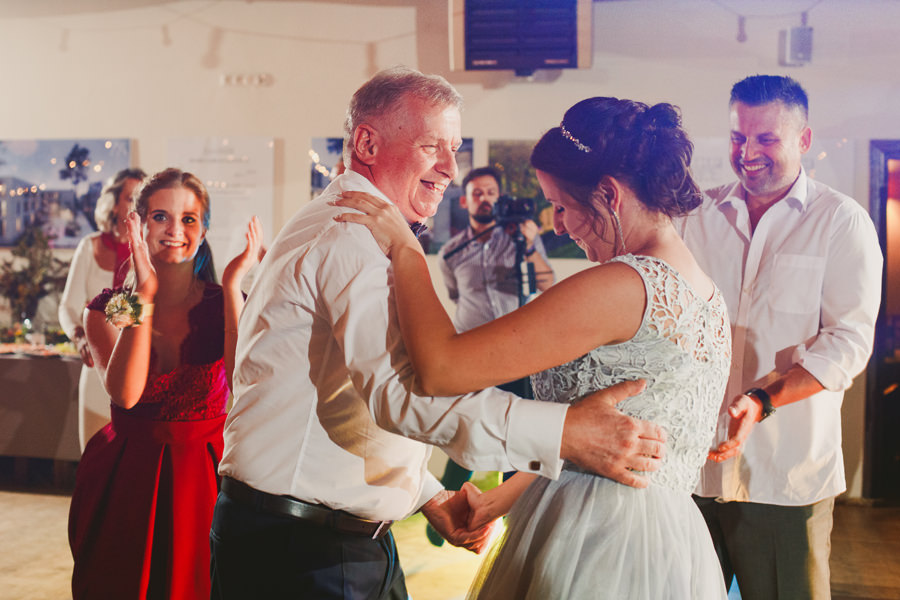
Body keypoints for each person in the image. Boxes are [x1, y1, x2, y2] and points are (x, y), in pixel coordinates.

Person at [209, 67, 668, 600]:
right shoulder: (349, 235)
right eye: (432, 147)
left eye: (455, 149)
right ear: (367, 143)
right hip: (299, 550)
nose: (451, 168)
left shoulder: (365, 229)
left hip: (339, 538)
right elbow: (400, 396)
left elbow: (347, 399)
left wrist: (426, 493)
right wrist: (566, 434)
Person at [335, 95, 732, 599]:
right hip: (669, 540)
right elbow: (607, 444)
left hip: (600, 537)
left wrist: (406, 248)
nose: (557, 225)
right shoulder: (704, 292)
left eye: (561, 206)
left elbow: (441, 367)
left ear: (609, 194)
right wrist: (499, 499)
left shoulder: (623, 285)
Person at [679, 75, 883, 599]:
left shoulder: (841, 222)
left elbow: (848, 341)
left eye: (766, 138)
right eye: (737, 137)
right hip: (691, 471)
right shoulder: (696, 217)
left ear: (804, 139)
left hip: (783, 476)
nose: (747, 153)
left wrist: (763, 400)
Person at [67, 168, 262, 599]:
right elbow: (126, 394)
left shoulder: (226, 301)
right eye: (161, 217)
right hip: (128, 481)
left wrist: (233, 286)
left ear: (204, 230)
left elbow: (242, 383)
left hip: (208, 481)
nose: (175, 230)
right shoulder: (109, 309)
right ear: (136, 225)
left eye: (189, 219)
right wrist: (145, 294)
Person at [427, 165, 555, 546]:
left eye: (491, 192)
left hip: (519, 356)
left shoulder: (520, 239)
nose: (485, 199)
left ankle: (511, 523)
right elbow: (455, 295)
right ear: (466, 201)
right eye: (477, 193)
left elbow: (546, 283)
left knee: (517, 435)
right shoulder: (451, 252)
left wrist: (529, 245)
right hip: (472, 357)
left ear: (500, 198)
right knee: (466, 431)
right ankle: (447, 511)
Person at [58, 167, 146, 450]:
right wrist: (80, 338)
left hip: (141, 373)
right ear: (114, 203)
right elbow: (68, 306)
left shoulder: (151, 251)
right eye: (130, 198)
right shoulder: (89, 246)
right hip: (98, 368)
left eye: (142, 199)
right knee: (94, 454)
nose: (136, 206)